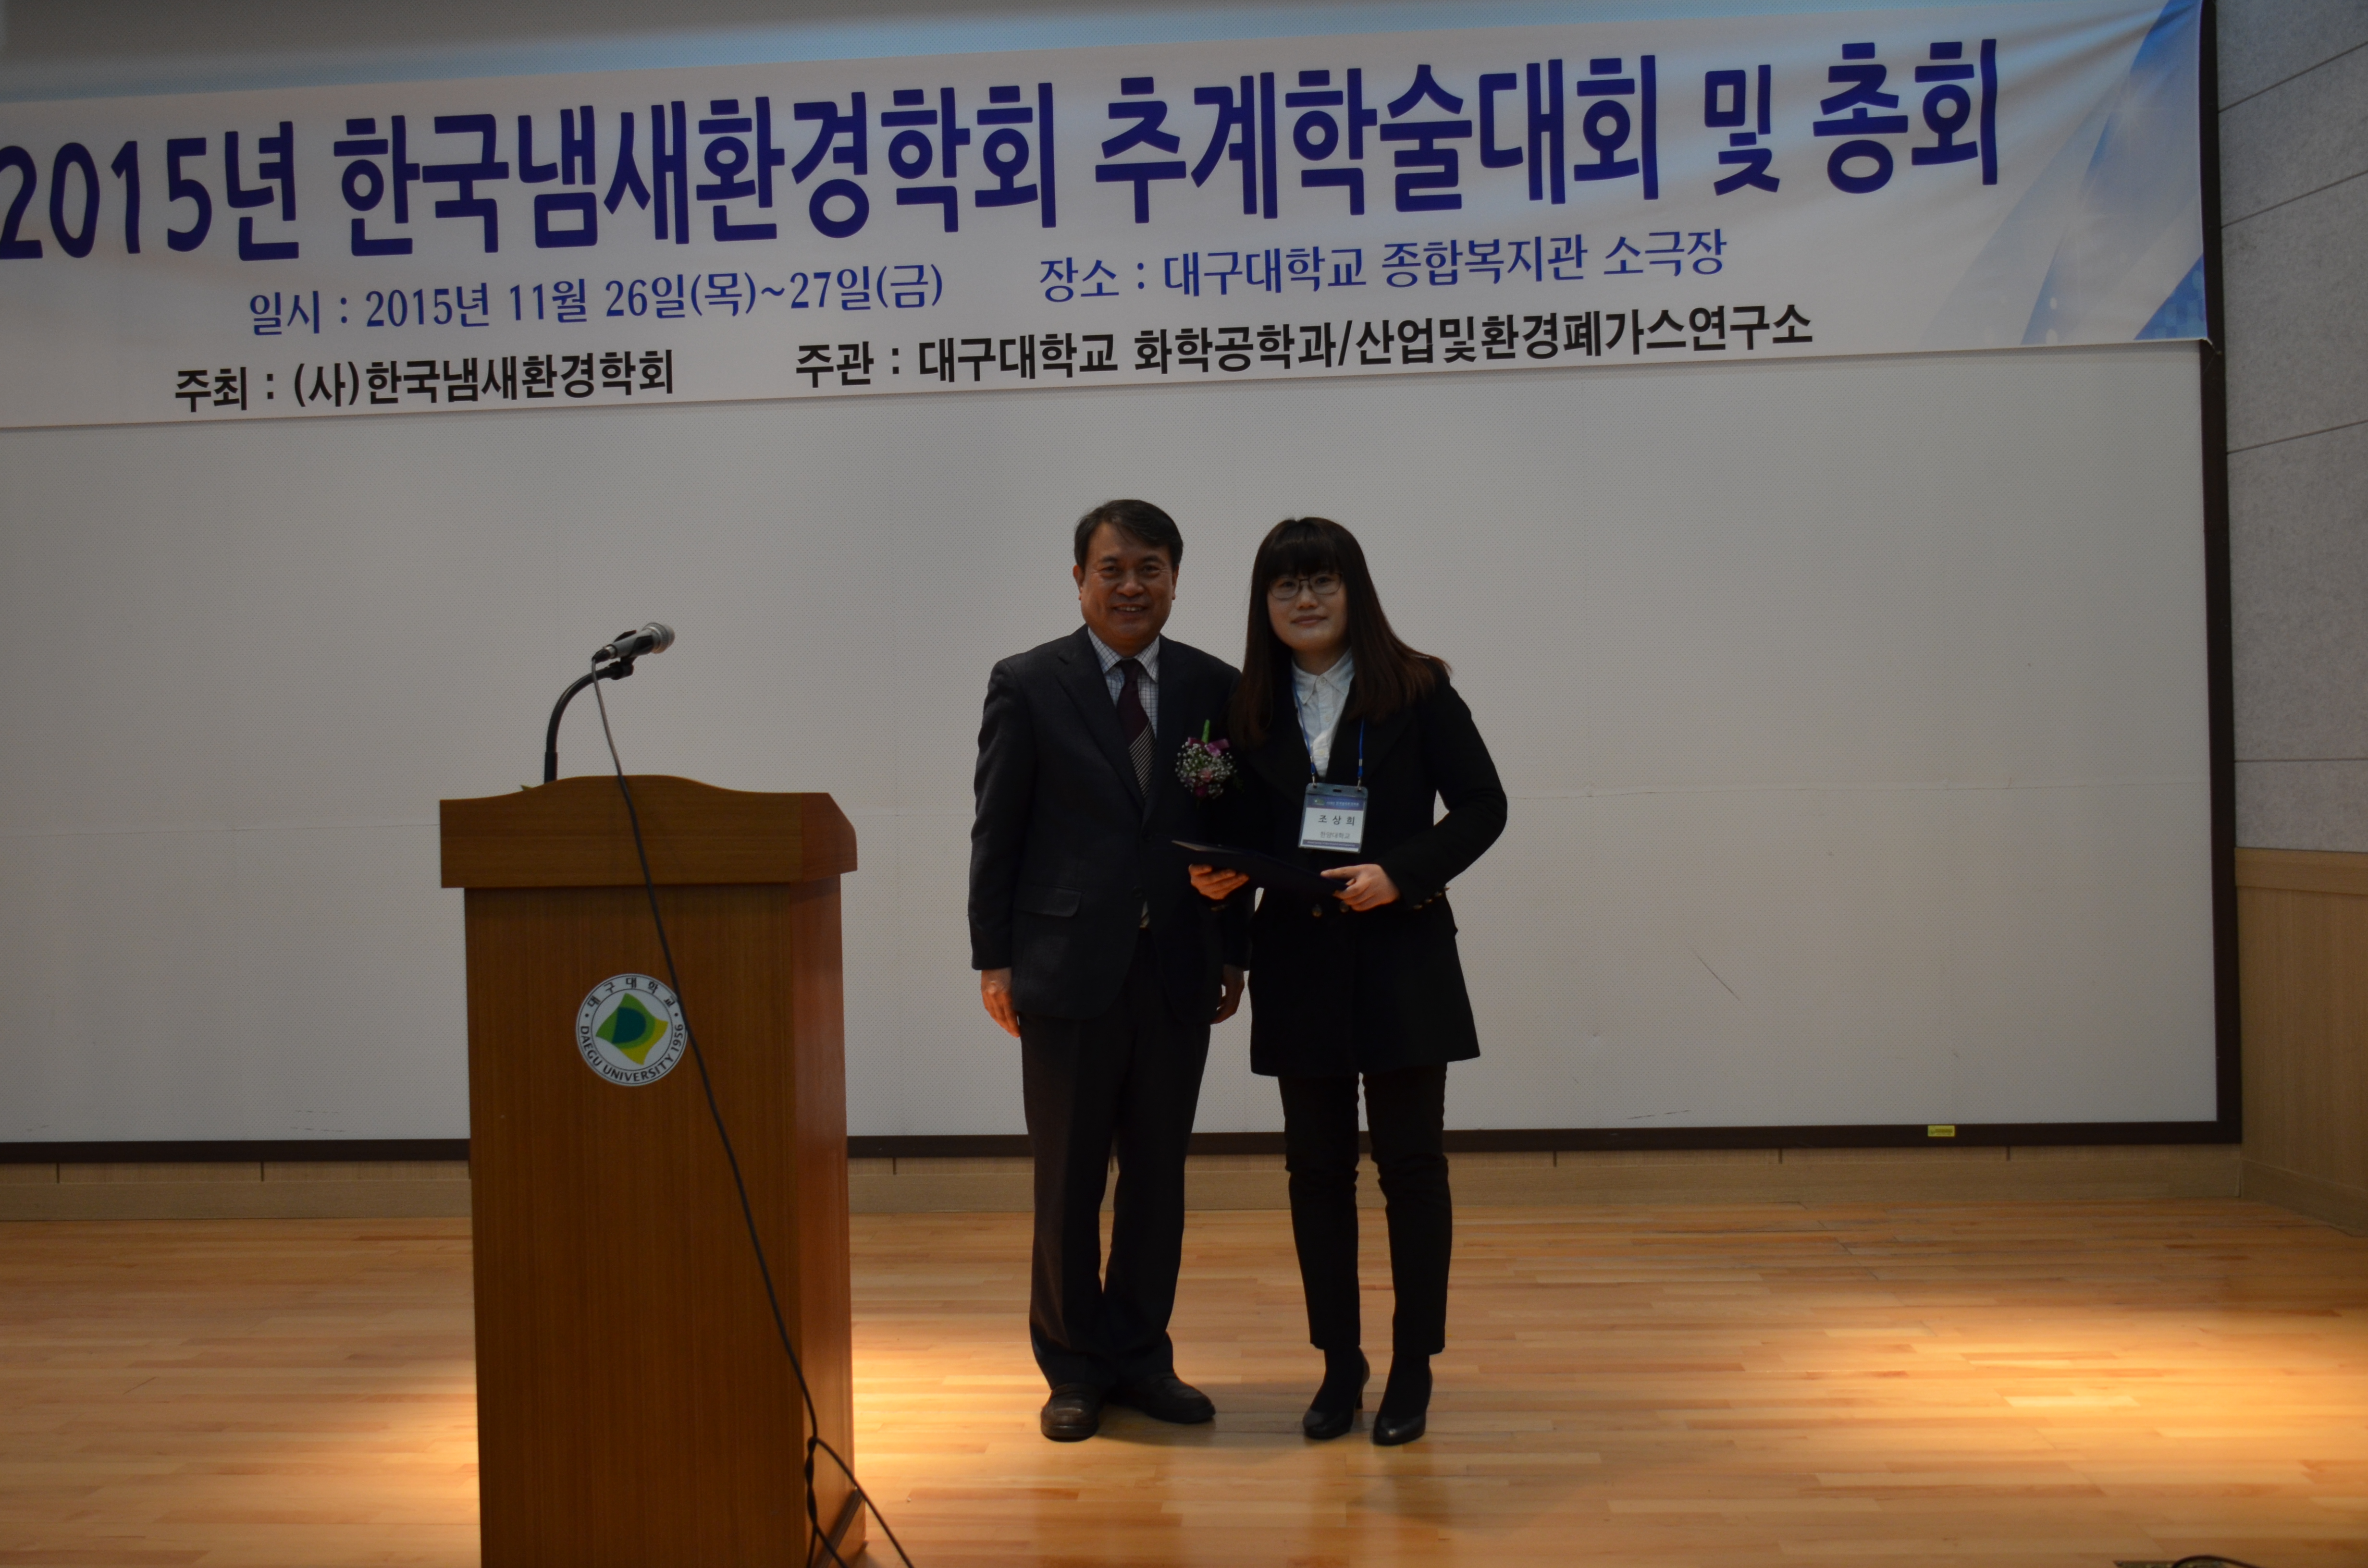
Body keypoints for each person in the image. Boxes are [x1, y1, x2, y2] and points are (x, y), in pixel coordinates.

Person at [1189, 516, 1506, 1447]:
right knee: (1315, 1172)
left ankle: (1413, 1364)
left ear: (1353, 589)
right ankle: (1340, 1362)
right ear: (1264, 603)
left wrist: (1402, 872)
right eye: (1285, 585)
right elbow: (1240, 840)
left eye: (1322, 580)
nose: (1305, 600)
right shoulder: (1246, 710)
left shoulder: (1419, 687)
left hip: (1404, 954)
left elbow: (1483, 806)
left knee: (1412, 1168)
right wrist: (1222, 894)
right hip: (1298, 963)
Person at [969, 499, 1248, 1443]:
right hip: (1063, 968)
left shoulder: (1215, 685)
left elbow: (1231, 825)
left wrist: (1235, 947)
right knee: (1068, 1181)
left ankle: (1140, 1356)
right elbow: (997, 830)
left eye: (1149, 569)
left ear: (1175, 578)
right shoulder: (1027, 683)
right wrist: (994, 957)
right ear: (1080, 579)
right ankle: (1073, 1366)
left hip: (1178, 962)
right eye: (1112, 569)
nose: (1131, 586)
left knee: (1157, 1178)